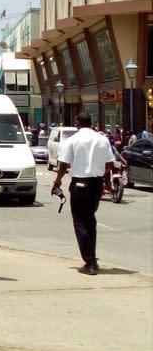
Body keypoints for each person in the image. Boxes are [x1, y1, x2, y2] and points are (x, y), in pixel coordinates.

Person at [51, 112, 115, 275]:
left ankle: (90, 262)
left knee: (81, 222)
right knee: (90, 221)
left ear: (78, 123)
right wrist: (99, 171)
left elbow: (64, 164)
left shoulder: (73, 140)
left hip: (80, 184)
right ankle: (91, 257)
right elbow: (109, 162)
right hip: (96, 184)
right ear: (91, 123)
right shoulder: (102, 139)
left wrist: (58, 180)